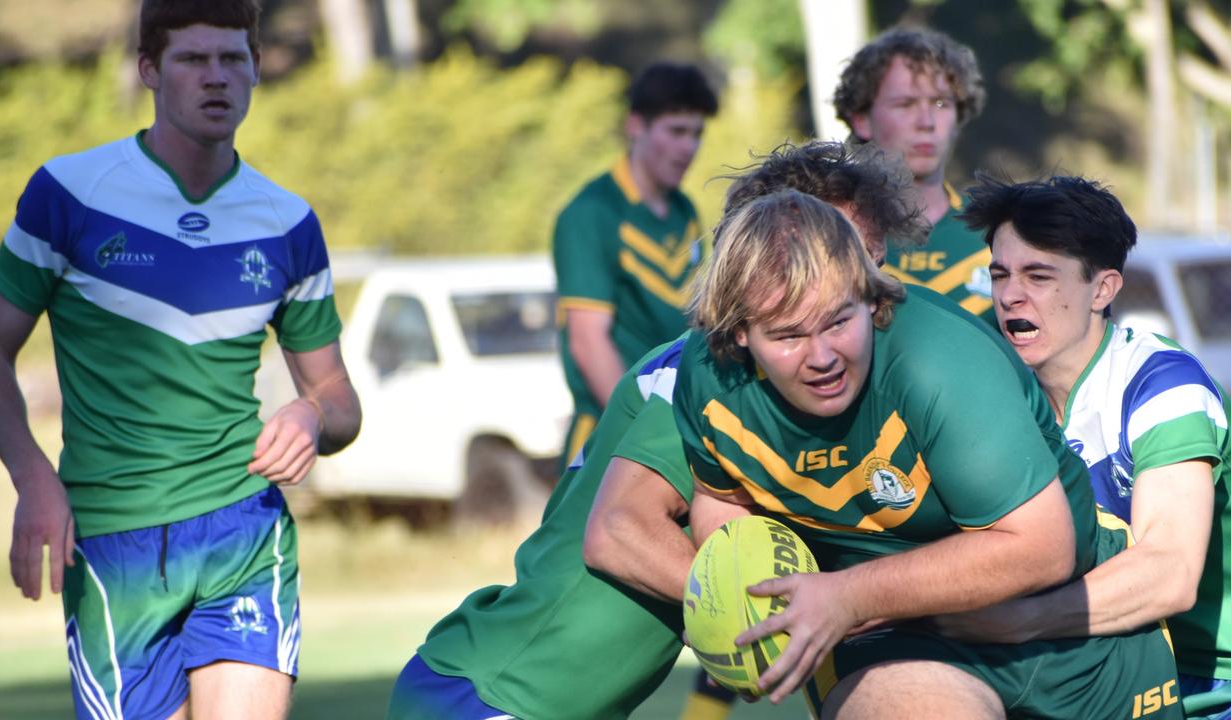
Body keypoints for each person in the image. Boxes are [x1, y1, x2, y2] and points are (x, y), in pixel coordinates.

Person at [387, 141, 923, 720]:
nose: (868, 288)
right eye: (845, 256)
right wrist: (772, 623)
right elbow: (618, 530)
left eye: (875, 263)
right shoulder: (711, 375)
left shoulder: (789, 384)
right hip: (493, 693)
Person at [0, 1, 362, 718]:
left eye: (233, 59)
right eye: (193, 59)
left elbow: (338, 397)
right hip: (114, 544)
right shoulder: (69, 194)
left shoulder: (287, 222)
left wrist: (310, 413)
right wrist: (33, 478)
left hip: (244, 529)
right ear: (150, 69)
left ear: (257, 67)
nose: (216, 78)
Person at [671, 189, 1181, 718]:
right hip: (895, 641)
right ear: (738, 334)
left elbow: (1042, 546)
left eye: (838, 322)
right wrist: (740, 604)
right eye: (788, 335)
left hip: (1071, 631)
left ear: (872, 296)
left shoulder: (936, 359)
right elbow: (721, 498)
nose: (822, 356)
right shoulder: (709, 381)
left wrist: (847, 596)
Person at [932, 175, 1231, 718]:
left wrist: (1019, 620)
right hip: (1080, 651)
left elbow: (1168, 573)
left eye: (1039, 276)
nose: (1010, 296)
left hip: (1206, 678)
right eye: (1000, 276)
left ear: (1104, 289)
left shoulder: (1165, 385)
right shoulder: (991, 383)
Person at [553, 61, 718, 466]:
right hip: (609, 433)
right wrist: (641, 430)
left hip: (678, 426)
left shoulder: (686, 211)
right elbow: (588, 341)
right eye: (676, 131)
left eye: (697, 133)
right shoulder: (590, 213)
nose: (689, 147)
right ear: (635, 126)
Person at [834, 26, 994, 320]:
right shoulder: (829, 234)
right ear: (861, 119)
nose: (927, 121)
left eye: (941, 102)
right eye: (905, 103)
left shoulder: (998, 232)